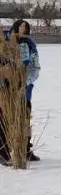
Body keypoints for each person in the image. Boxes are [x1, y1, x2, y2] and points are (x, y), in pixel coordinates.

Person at [0, 19, 41, 165]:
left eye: (25, 36)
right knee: (3, 121)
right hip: (5, 93)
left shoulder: (30, 46)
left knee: (25, 120)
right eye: (19, 35)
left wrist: (23, 83)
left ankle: (25, 149)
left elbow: (35, 68)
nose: (22, 38)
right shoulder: (3, 45)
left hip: (24, 92)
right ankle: (3, 152)